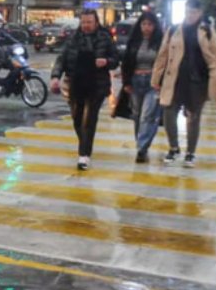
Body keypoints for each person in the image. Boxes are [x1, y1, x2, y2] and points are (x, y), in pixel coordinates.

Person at [152, 0, 216, 168]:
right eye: (188, 11)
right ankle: (174, 148)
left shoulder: (207, 31)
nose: (191, 15)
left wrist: (215, 78)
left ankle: (190, 153)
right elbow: (163, 55)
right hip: (174, 79)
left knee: (193, 118)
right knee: (168, 114)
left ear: (200, 13)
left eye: (194, 12)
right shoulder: (174, 29)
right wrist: (156, 78)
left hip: (197, 82)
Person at [50, 9, 119, 171]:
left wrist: (106, 62)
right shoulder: (74, 38)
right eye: (84, 22)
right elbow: (62, 58)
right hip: (76, 83)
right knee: (77, 118)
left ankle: (84, 155)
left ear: (96, 22)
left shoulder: (105, 37)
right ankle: (85, 143)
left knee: (89, 118)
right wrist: (55, 77)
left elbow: (116, 59)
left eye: (89, 22)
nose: (86, 25)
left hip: (97, 84)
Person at [120, 12, 164, 163]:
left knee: (147, 116)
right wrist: (126, 83)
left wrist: (161, 83)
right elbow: (126, 62)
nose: (146, 28)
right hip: (136, 81)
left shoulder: (160, 42)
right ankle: (141, 146)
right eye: (144, 24)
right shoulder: (134, 41)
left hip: (153, 82)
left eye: (149, 24)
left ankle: (142, 148)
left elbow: (165, 63)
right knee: (137, 115)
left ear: (155, 26)